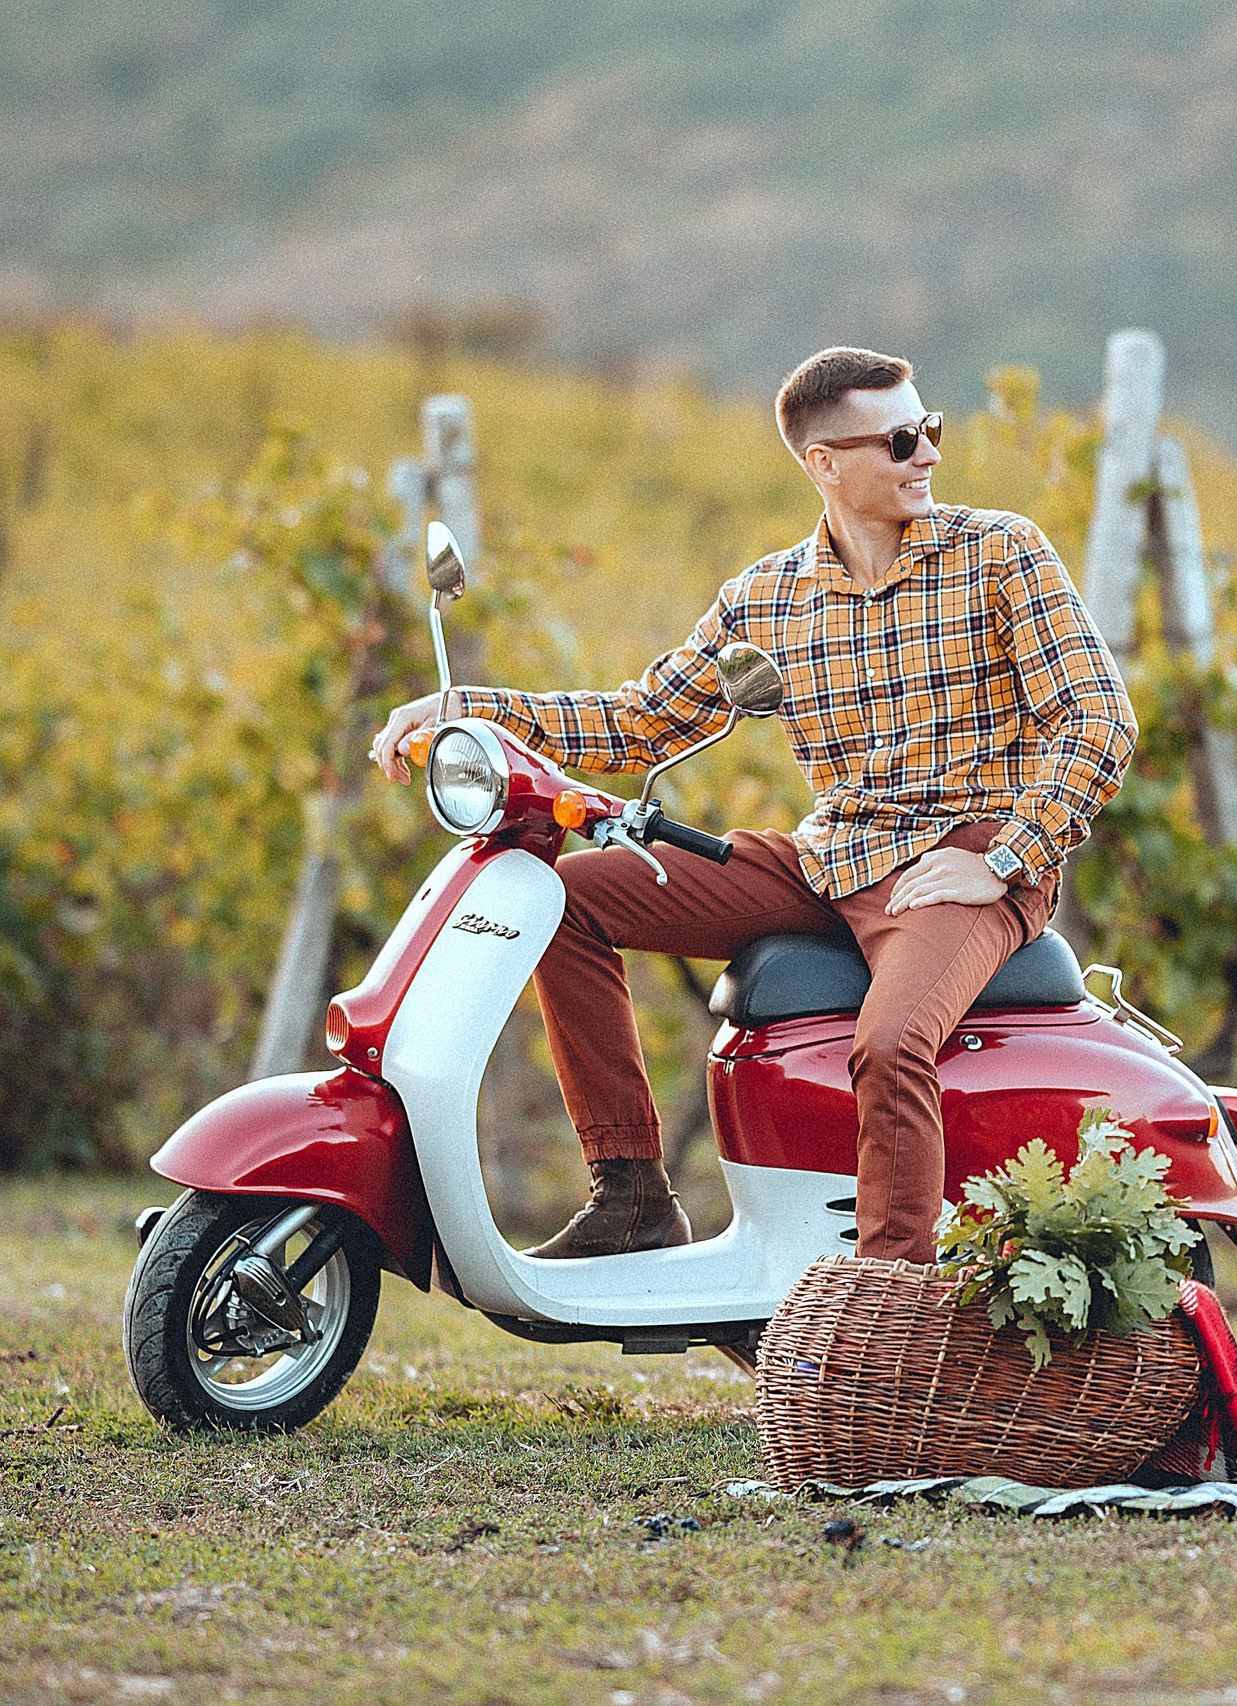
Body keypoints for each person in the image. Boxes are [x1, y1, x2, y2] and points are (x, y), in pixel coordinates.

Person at [367, 346, 1137, 1263]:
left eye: (928, 431)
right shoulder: (767, 596)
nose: (927, 454)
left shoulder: (1001, 552)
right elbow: (640, 721)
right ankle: (633, 1195)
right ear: (825, 463)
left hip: (964, 855)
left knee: (890, 1047)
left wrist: (1004, 858)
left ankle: (888, 1305)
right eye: (900, 440)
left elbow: (1100, 718)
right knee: (560, 901)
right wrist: (469, 710)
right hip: (832, 854)